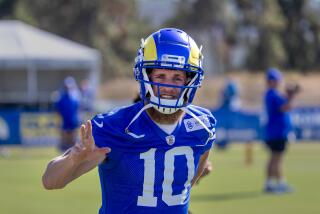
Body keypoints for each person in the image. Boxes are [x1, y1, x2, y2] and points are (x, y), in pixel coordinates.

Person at [42, 28, 216, 214]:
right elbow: (51, 181)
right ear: (146, 76)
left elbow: (191, 178)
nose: (168, 86)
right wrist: (74, 158)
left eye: (177, 78)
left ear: (190, 81)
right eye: (160, 76)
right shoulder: (115, 126)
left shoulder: (202, 125)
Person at [263, 67, 300, 193]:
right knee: (277, 158)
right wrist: (292, 96)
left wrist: (289, 94)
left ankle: (269, 183)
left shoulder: (272, 94)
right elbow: (286, 107)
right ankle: (280, 183)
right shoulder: (272, 94)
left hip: (275, 131)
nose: (279, 82)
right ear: (272, 81)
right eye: (277, 80)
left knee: (274, 157)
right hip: (277, 132)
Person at [54, 76, 81, 152]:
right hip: (65, 121)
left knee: (73, 138)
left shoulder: (75, 97)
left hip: (73, 120)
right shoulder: (61, 97)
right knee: (64, 138)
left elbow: (77, 110)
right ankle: (64, 152)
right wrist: (58, 122)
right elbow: (58, 111)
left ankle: (73, 152)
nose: (67, 88)